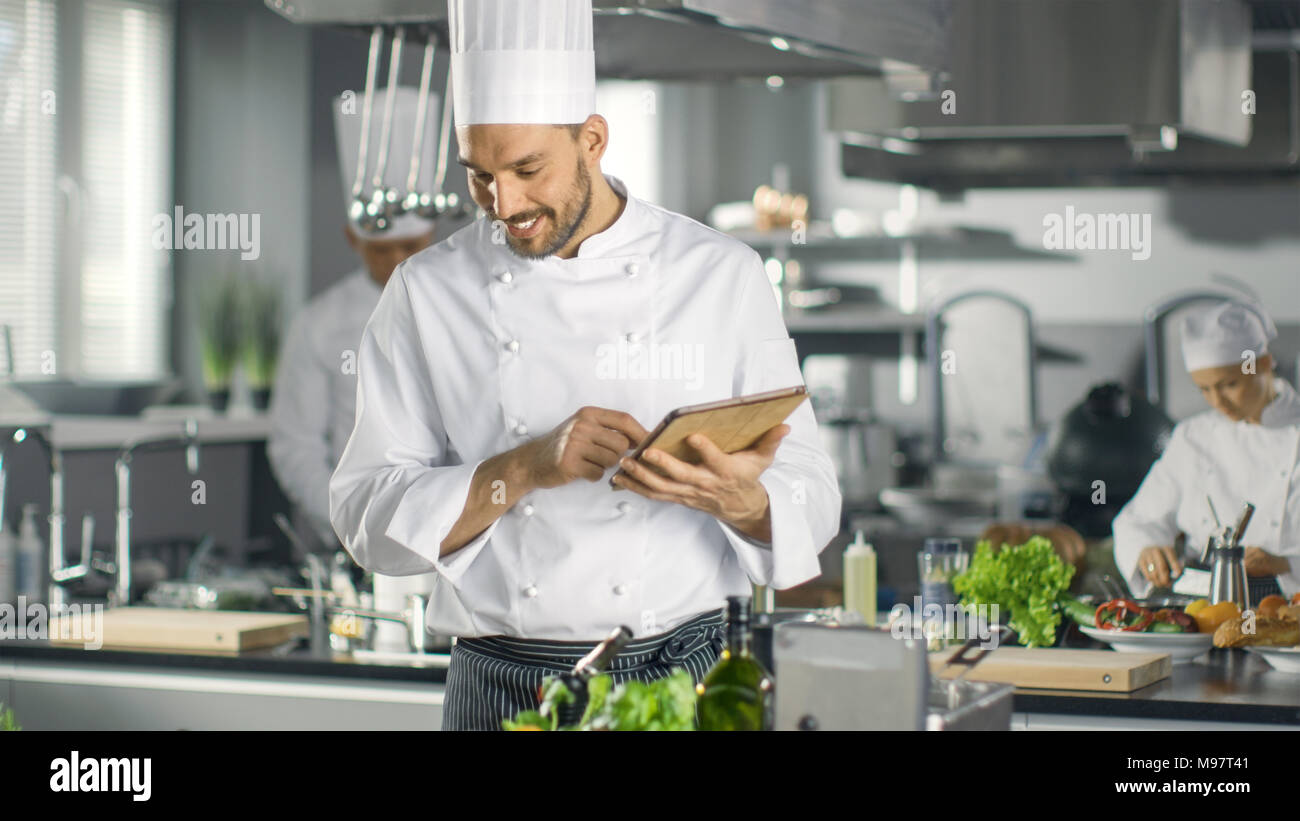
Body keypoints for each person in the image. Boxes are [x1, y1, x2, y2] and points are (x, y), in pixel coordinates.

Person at [329, 0, 841, 731]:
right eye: (479, 176)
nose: (503, 204)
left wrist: (740, 502)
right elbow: (364, 514)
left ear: (593, 139)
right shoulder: (426, 291)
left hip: (682, 676)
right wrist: (526, 467)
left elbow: (814, 489)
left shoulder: (721, 273)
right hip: (503, 683)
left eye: (527, 169)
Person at [268, 87, 437, 551]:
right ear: (351, 238)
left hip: (455, 525)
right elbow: (296, 444)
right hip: (356, 532)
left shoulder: (466, 305)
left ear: (432, 233)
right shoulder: (319, 324)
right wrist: (347, 524)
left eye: (413, 246)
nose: (400, 260)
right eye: (383, 250)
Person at [1113, 300, 1300, 601]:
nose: (1217, 402)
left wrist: (1287, 564)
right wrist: (1146, 549)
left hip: (1286, 611)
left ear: (1264, 362)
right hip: (1199, 607)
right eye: (1205, 389)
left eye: (1228, 384)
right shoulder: (1193, 437)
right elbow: (1136, 520)